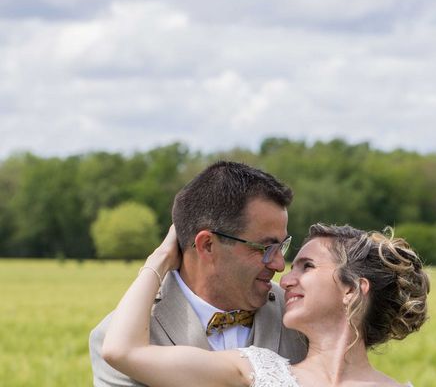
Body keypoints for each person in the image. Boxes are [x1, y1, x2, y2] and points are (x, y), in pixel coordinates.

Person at [102, 222, 429, 386]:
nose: (284, 279)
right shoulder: (255, 369)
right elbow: (121, 351)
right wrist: (160, 260)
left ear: (352, 290)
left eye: (307, 266)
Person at [90, 161, 308, 387]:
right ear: (207, 245)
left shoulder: (303, 312)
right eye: (265, 248)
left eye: (282, 246)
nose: (280, 264)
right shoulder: (118, 337)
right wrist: (159, 260)